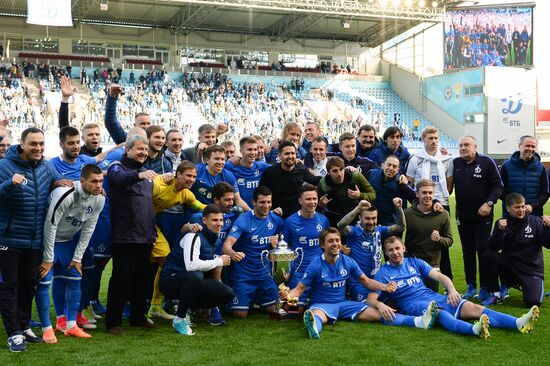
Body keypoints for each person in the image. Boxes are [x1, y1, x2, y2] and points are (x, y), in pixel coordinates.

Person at [370, 236, 540, 339]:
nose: (395, 252)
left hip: (432, 296)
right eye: (390, 250)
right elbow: (371, 297)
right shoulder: (383, 273)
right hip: (412, 305)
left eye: (397, 248)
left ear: (404, 248)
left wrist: (451, 290)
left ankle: (518, 323)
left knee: (474, 307)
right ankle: (474, 330)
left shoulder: (415, 262)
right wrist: (380, 304)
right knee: (439, 312)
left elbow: (440, 276)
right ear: (386, 252)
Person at [282, 228, 437, 340]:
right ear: (322, 245)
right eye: (331, 241)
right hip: (322, 304)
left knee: (379, 314)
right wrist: (287, 296)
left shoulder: (348, 261)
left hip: (344, 304)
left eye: (337, 240)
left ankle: (419, 321)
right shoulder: (316, 264)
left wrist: (384, 287)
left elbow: (366, 281)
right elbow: (300, 289)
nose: (335, 244)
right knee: (318, 316)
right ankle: (314, 327)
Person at [0, 128, 70, 352]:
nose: (38, 148)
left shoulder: (46, 166)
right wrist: (9, 183)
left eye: (41, 144)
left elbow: (58, 182)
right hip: (8, 239)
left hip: (34, 241)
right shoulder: (4, 166)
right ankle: (13, 333)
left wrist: (68, 184)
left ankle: (24, 326)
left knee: (28, 286)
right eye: (33, 144)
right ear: (22, 144)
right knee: (10, 287)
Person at [36, 165, 105, 343]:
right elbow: (50, 225)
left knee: (75, 278)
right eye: (94, 181)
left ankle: (70, 325)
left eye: (101, 181)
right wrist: (48, 258)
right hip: (47, 241)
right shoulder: (65, 194)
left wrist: (77, 258)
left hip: (67, 242)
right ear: (82, 181)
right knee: (44, 282)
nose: (99, 185)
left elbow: (88, 229)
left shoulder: (99, 199)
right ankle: (47, 328)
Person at [105, 134, 157, 335]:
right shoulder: (117, 167)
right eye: (139, 149)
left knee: (142, 280)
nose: (143, 153)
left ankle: (138, 317)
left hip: (145, 236)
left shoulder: (146, 172)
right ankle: (113, 322)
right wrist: (138, 175)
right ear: (128, 150)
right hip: (125, 236)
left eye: (145, 150)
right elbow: (117, 179)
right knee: (121, 280)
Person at [160, 204, 235, 335]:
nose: (219, 224)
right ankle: (179, 318)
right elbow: (191, 265)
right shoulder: (193, 235)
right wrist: (219, 261)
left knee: (227, 293)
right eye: (215, 220)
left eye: (221, 220)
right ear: (204, 221)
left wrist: (218, 264)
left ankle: (189, 307)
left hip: (191, 281)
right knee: (195, 276)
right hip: (170, 279)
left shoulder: (213, 239)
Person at [147, 161, 206, 320]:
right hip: (134, 225)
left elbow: (199, 206)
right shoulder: (161, 184)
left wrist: (220, 209)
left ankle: (154, 305)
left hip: (149, 225)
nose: (191, 179)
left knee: (165, 259)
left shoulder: (185, 193)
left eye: (194, 176)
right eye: (188, 175)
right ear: (177, 174)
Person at [449, 136, 503, 301]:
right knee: (467, 252)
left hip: (483, 216)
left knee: (483, 250)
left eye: (467, 145)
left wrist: (489, 203)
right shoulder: (456, 163)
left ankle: (486, 287)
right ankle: (471, 286)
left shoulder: (486, 162)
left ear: (475, 147)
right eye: (461, 145)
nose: (463, 148)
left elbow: (498, 185)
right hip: (463, 216)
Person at [222, 186, 284, 318]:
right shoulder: (243, 220)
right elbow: (226, 245)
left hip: (265, 275)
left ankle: (257, 299)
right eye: (262, 202)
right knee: (240, 314)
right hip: (244, 276)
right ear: (253, 202)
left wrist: (276, 244)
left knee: (276, 309)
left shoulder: (276, 220)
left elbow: (284, 244)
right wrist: (233, 254)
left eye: (269, 202)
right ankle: (241, 301)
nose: (266, 206)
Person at [406, 126, 453, 281]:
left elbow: (449, 186)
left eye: (436, 138)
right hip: (421, 205)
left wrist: (437, 202)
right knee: (419, 242)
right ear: (423, 139)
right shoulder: (415, 159)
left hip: (441, 205)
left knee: (442, 245)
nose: (434, 141)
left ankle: (447, 282)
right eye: (430, 138)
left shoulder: (446, 160)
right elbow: (410, 184)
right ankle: (415, 278)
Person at [484, 193, 549, 307]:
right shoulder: (502, 223)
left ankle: (528, 285)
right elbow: (492, 247)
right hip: (510, 267)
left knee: (533, 302)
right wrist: (499, 231)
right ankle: (496, 294)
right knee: (489, 255)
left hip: (531, 269)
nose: (521, 210)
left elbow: (548, 244)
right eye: (517, 207)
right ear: (508, 208)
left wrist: (548, 228)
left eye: (523, 206)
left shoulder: (536, 222)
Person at [337, 198, 405, 302]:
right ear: (360, 217)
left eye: (374, 218)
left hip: (378, 279)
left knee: (398, 298)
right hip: (359, 282)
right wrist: (358, 208)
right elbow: (340, 225)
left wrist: (399, 208)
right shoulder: (354, 232)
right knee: (371, 304)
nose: (371, 222)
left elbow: (401, 226)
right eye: (367, 218)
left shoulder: (379, 230)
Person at [282, 184, 330, 310]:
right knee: (293, 311)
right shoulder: (290, 222)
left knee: (322, 307)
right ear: (300, 200)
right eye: (308, 199)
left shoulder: (323, 220)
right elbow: (284, 250)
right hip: (300, 272)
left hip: (320, 271)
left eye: (314, 199)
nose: (312, 202)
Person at [404, 179, 452, 292]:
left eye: (430, 193)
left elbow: (449, 240)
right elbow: (397, 234)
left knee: (431, 299)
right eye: (424, 192)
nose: (427, 195)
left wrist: (439, 239)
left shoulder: (443, 214)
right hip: (411, 263)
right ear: (417, 194)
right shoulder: (407, 213)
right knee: (411, 298)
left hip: (432, 264)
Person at [260, 140, 320, 219]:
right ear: (279, 156)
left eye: (293, 153)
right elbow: (261, 193)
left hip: (296, 217)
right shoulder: (270, 173)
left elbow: (315, 180)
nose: (290, 156)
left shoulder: (301, 169)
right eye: (287, 154)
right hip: (276, 216)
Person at [317, 156, 376, 226]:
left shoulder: (355, 176)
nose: (339, 174)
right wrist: (320, 205)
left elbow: (373, 194)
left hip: (356, 215)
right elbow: (316, 205)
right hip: (333, 217)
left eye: (341, 169)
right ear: (328, 172)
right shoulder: (323, 183)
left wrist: (360, 195)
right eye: (335, 171)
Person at [500, 135, 549, 218]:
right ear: (520, 146)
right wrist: (514, 205)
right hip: (511, 215)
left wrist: (532, 206)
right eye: (528, 146)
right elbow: (500, 189)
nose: (530, 149)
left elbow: (545, 192)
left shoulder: (541, 167)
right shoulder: (506, 165)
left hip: (534, 214)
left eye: (533, 146)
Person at [191, 144, 249, 210]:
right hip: (198, 213)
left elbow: (238, 200)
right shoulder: (196, 171)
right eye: (216, 159)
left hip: (219, 215)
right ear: (207, 160)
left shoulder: (228, 176)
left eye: (222, 159)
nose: (220, 162)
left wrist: (253, 214)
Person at [365, 155, 417, 226]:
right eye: (389, 165)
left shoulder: (400, 183)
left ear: (398, 170)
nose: (391, 168)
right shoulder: (371, 174)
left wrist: (434, 203)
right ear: (382, 165)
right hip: (370, 219)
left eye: (394, 166)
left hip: (390, 223)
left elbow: (416, 199)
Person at [225, 136, 270, 208]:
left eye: (255, 149)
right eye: (249, 149)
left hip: (258, 212)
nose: (253, 152)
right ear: (241, 151)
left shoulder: (262, 166)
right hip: (238, 213)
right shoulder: (230, 166)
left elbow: (279, 168)